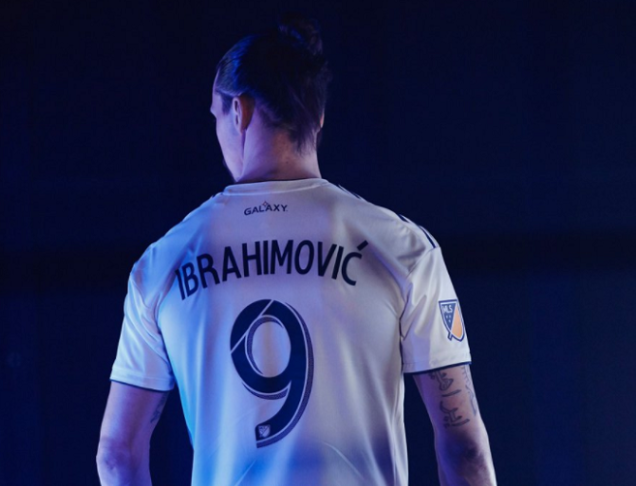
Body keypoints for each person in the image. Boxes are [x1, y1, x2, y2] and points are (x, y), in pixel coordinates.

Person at [96, 14, 496, 486]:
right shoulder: (402, 248)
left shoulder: (164, 262)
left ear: (239, 111)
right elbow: (465, 448)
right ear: (319, 117)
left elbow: (117, 455)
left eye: (215, 116)